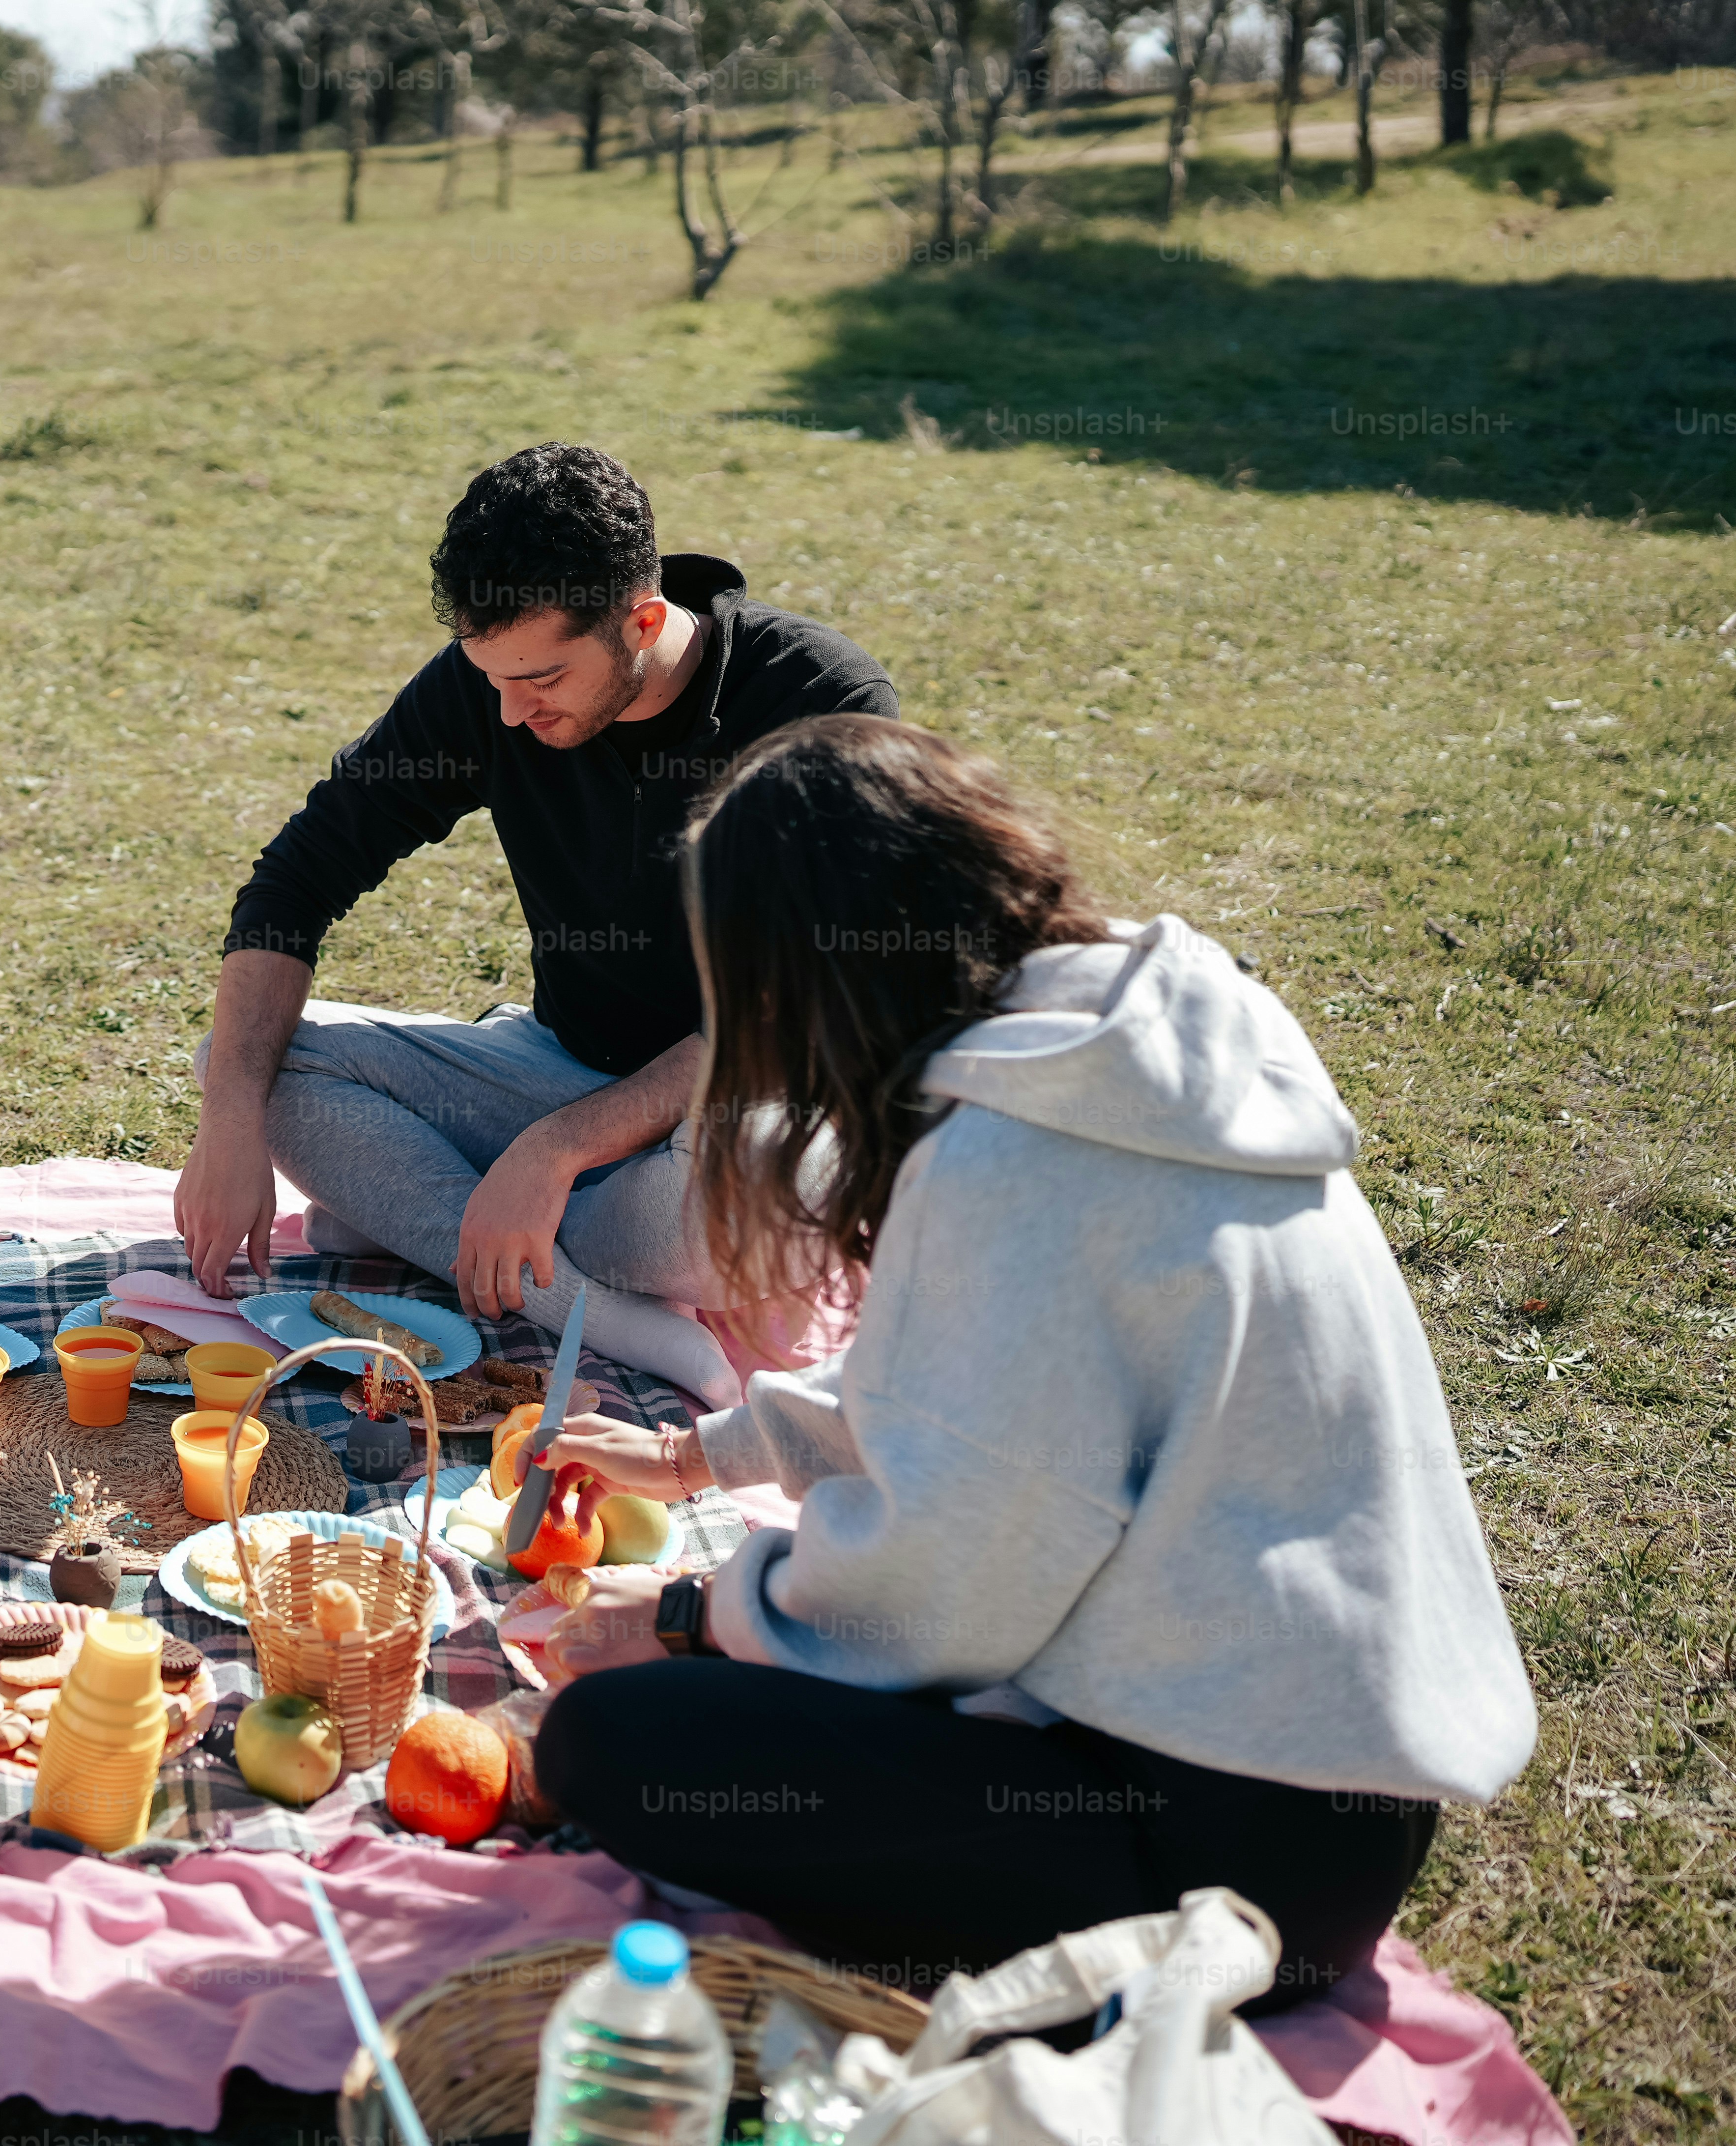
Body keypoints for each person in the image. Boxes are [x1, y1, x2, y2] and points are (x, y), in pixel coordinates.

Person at [526, 716, 1535, 2006]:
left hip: (1227, 1871)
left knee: (613, 1743)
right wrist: (704, 1455)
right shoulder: (1127, 1049)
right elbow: (993, 1401)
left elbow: (945, 1579)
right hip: (1323, 1799)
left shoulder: (1011, 1156)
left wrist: (687, 1622)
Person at [175, 442, 895, 1386]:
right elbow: (299, 876)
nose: (511, 714)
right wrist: (228, 1121)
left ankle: (440, 1211)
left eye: (543, 680)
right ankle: (586, 1303)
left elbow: (792, 1011)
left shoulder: (822, 700)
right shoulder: (494, 684)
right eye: (492, 678)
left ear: (642, 621)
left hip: (747, 1102)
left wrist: (556, 1151)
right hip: (558, 1065)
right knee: (249, 1064)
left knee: (771, 1203)